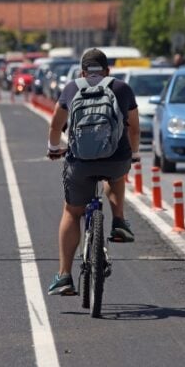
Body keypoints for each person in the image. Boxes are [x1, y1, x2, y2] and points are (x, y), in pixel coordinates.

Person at [46, 48, 141, 296]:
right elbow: (134, 130)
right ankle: (118, 221)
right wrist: (133, 153)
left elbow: (56, 125)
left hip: (80, 162)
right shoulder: (121, 88)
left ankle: (65, 276)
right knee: (116, 173)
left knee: (72, 211)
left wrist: (54, 148)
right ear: (107, 70)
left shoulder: (71, 88)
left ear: (82, 71)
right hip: (115, 159)